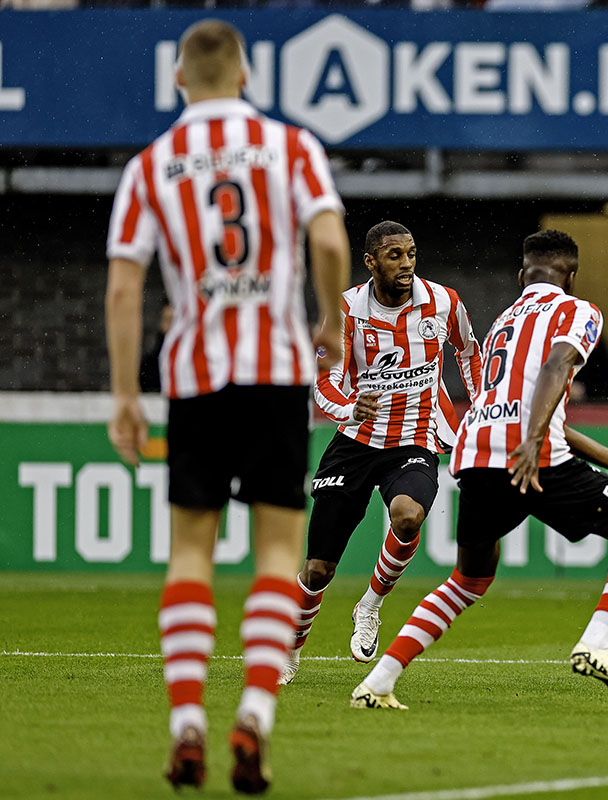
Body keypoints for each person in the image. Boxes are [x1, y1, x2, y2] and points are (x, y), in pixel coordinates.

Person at [104, 19, 349, 794]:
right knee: (277, 552)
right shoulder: (291, 147)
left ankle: (184, 724)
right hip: (275, 375)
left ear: (180, 80)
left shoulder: (151, 165)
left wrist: (123, 395)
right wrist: (330, 325)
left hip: (195, 378)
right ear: (245, 75)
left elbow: (121, 285)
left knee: (189, 554)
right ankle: (254, 715)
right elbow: (333, 241)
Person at [348, 229, 608, 709]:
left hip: (474, 452)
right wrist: (534, 439)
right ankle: (598, 643)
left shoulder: (504, 320)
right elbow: (557, 367)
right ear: (572, 277)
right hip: (527, 451)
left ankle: (377, 683)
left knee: (468, 579)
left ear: (523, 276)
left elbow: (527, 405)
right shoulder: (577, 310)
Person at [280, 221, 482, 684]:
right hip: (355, 441)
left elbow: (470, 354)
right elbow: (324, 379)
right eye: (395, 256)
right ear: (371, 261)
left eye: (411, 254)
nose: (407, 264)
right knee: (317, 568)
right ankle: (290, 647)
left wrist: (483, 408)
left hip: (416, 437)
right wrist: (350, 408)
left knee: (408, 515)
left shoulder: (444, 302)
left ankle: (370, 604)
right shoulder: (347, 309)